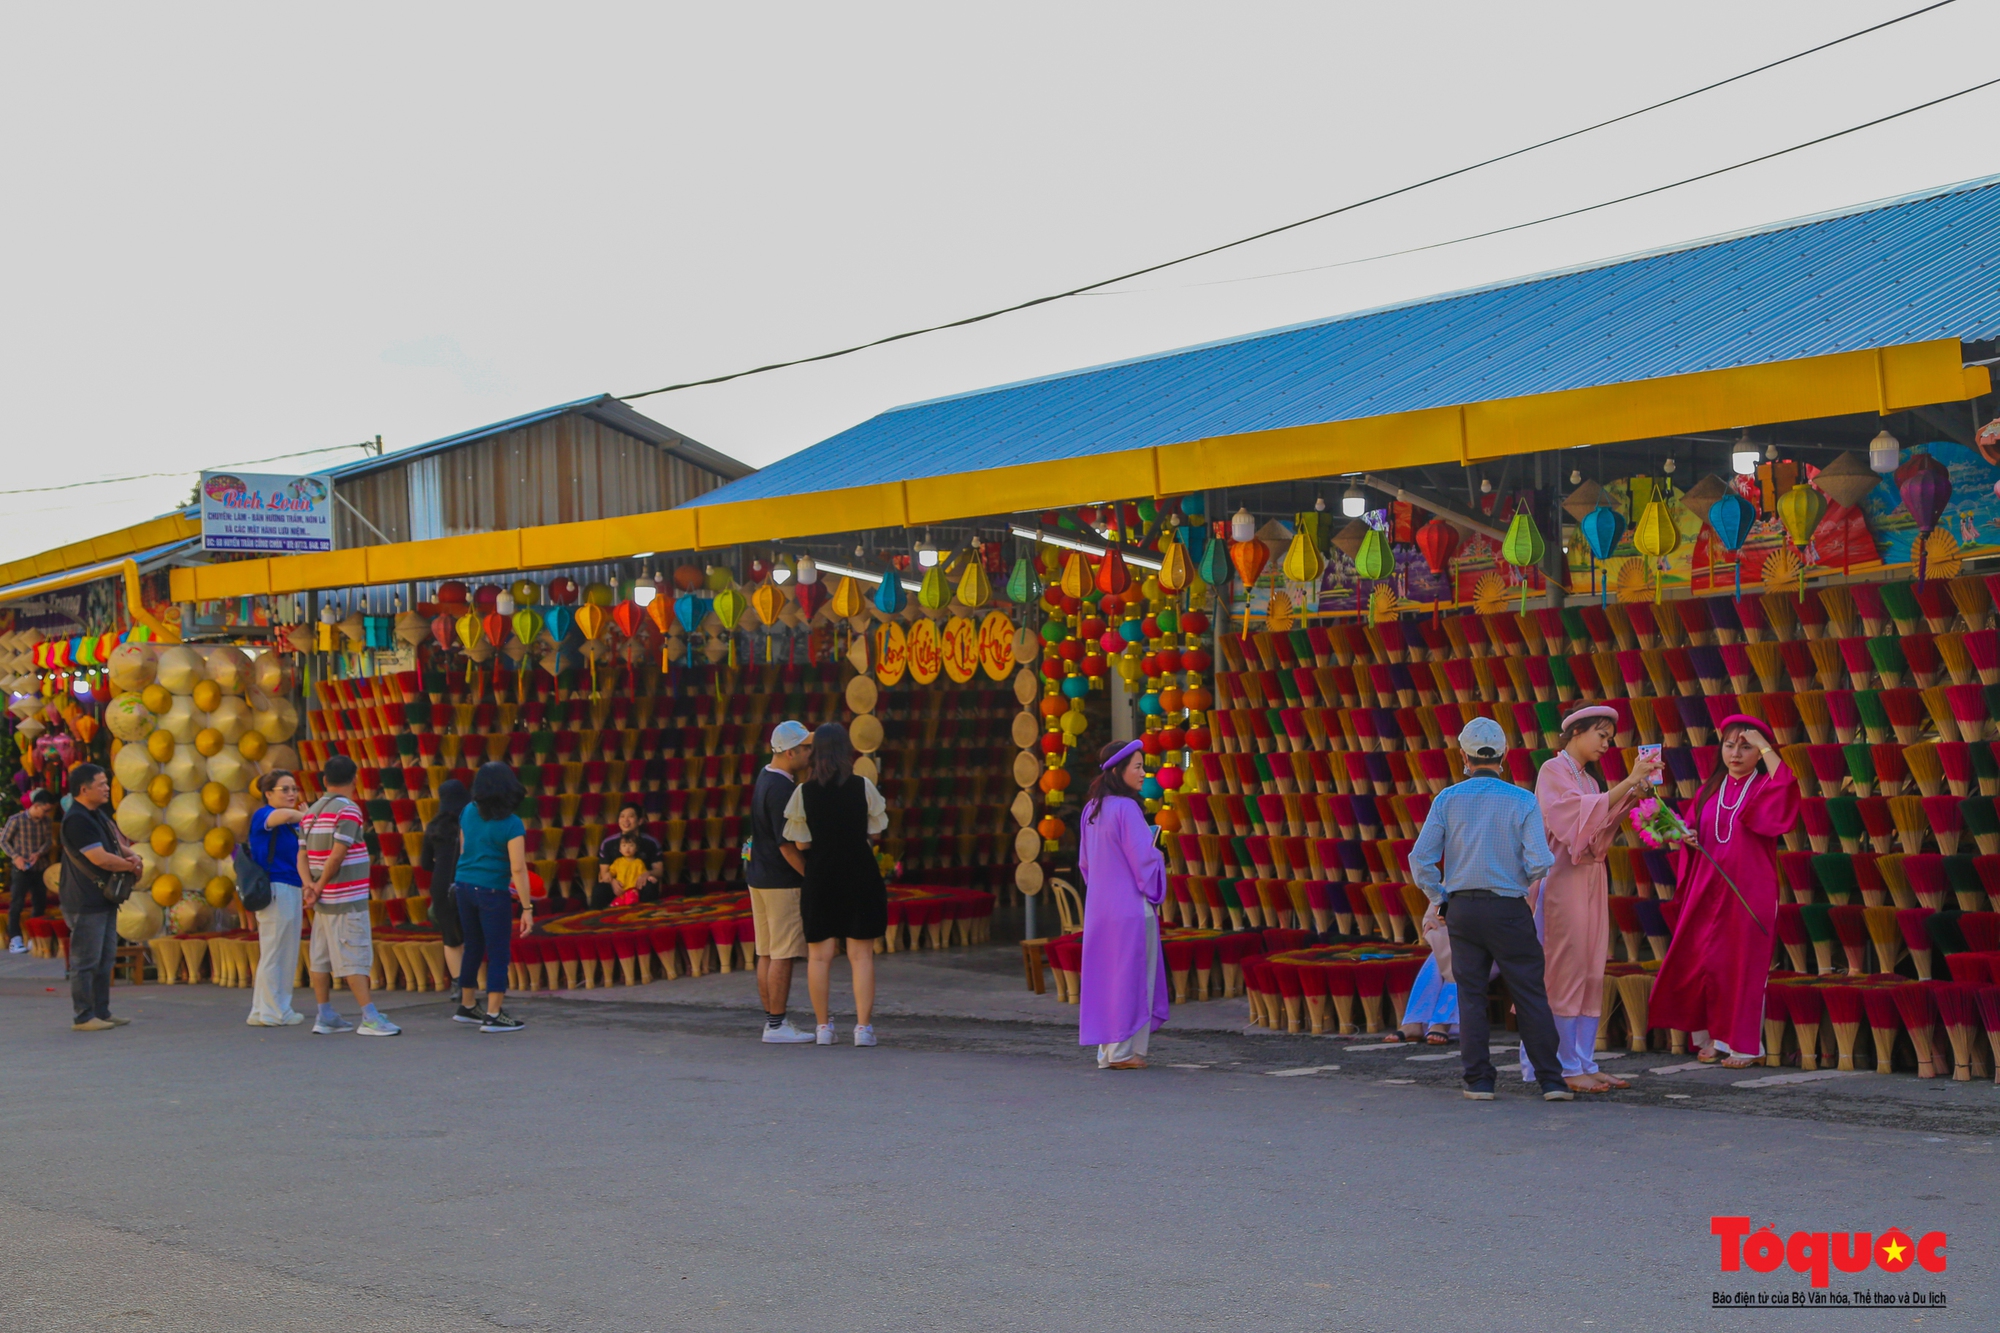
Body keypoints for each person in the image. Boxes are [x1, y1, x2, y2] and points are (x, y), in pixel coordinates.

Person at [1408, 716, 1571, 1102]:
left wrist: (1440, 896)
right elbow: (1541, 861)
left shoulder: (1446, 799)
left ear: (1463, 755)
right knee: (1530, 991)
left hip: (1462, 908)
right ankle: (1551, 1081)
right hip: (1508, 908)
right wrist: (1516, 875)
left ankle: (1479, 1081)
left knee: (1471, 993)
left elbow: (1421, 859)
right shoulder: (1522, 800)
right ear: (1504, 756)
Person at [1648, 715, 1798, 1069]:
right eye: (1730, 745)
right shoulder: (1709, 789)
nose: (1736, 753)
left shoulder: (1765, 786)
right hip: (1707, 887)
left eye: (1746, 747)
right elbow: (1689, 831)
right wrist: (1685, 836)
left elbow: (1788, 785)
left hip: (1750, 889)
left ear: (1760, 753)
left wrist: (1764, 743)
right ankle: (1711, 1037)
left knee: (1742, 963)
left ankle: (1744, 1045)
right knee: (1703, 959)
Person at [1526, 705, 1662, 1093]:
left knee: (1590, 968)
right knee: (1565, 969)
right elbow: (1573, 822)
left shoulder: (1587, 780)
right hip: (1563, 879)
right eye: (1601, 735)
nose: (1606, 743)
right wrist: (1626, 784)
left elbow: (1599, 822)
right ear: (1575, 733)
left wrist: (1634, 792)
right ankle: (1563, 1064)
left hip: (1590, 876)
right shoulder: (1553, 771)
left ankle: (1583, 1060)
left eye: (1609, 736)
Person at [785, 722, 887, 1047]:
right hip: (859, 872)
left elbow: (800, 844)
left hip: (822, 874)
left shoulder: (803, 792)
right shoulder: (863, 786)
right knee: (862, 955)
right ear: (846, 751)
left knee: (819, 956)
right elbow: (877, 833)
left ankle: (823, 1029)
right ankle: (863, 1029)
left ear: (816, 752)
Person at [1077, 739, 1170, 1070]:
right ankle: (1124, 1052)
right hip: (1132, 910)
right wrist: (1158, 857)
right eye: (1138, 767)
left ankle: (1109, 1051)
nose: (1144, 773)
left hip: (1101, 909)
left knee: (1108, 980)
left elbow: (1086, 864)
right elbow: (1143, 861)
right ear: (1119, 771)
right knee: (1134, 981)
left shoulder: (1091, 809)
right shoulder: (1128, 809)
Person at [298, 755, 400, 1037]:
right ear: (355, 780)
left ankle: (325, 1014)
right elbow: (338, 854)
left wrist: (310, 885)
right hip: (345, 898)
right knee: (354, 955)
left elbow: (302, 855)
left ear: (325, 781)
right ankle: (369, 1016)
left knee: (320, 957)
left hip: (322, 901)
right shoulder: (349, 810)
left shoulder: (311, 812)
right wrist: (317, 887)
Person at [55, 765, 141, 1032]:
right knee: (85, 961)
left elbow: (114, 845)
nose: (107, 788)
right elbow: (99, 858)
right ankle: (83, 1016)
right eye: (101, 784)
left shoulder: (97, 815)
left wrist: (132, 855)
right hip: (84, 900)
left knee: (105, 959)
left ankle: (101, 1011)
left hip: (103, 898)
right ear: (84, 789)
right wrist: (129, 867)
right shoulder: (77, 819)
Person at [747, 720, 814, 1044]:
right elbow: (786, 845)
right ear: (790, 752)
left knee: (767, 952)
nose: (810, 754)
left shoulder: (764, 777)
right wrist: (810, 876)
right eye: (806, 748)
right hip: (780, 881)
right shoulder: (783, 789)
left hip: (759, 877)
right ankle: (776, 1025)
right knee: (783, 954)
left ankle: (772, 1021)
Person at [453, 761, 533, 1033]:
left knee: (473, 946)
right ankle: (494, 1013)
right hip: (492, 891)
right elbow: (518, 868)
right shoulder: (512, 824)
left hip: (464, 885)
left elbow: (464, 848)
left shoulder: (467, 811)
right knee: (498, 951)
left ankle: (467, 1005)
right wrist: (527, 907)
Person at [245, 771, 307, 1027]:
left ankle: (266, 1008)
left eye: (293, 788)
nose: (291, 794)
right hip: (276, 886)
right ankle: (273, 1010)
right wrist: (310, 816)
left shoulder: (292, 824)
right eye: (285, 789)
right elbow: (286, 815)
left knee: (284, 950)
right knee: (275, 949)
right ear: (269, 793)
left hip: (291, 886)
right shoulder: (265, 815)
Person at [419, 778, 471, 986]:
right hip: (467, 881)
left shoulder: (433, 827)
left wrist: (440, 869)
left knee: (450, 937)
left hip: (441, 886)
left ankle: (458, 986)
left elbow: (424, 863)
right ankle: (473, 982)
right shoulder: (470, 825)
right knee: (470, 933)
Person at [4, 789, 59, 953]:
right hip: (21, 867)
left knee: (39, 902)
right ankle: (15, 938)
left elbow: (48, 841)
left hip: (39, 866)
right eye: (45, 810)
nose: (47, 813)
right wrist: (16, 857)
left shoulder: (46, 822)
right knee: (17, 902)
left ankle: (34, 937)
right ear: (36, 805)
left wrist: (39, 853)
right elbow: (4, 841)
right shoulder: (17, 820)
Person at [594, 803, 663, 906]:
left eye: (630, 816)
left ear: (640, 821)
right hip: (618, 886)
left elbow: (659, 870)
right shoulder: (608, 843)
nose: (625, 820)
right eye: (622, 816)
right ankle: (596, 918)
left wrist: (647, 874)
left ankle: (647, 918)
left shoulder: (651, 843)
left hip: (639, 885)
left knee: (650, 886)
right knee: (600, 889)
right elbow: (604, 873)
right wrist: (612, 882)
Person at [602, 835, 647, 907]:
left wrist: (649, 877)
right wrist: (609, 874)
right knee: (613, 906)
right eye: (624, 845)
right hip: (621, 891)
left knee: (631, 905)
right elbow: (612, 871)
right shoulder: (618, 862)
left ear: (636, 849)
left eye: (631, 845)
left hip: (632, 890)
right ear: (620, 849)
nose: (627, 848)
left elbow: (643, 874)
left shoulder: (639, 862)